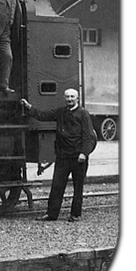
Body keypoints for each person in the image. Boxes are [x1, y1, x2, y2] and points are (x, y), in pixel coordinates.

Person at [20, 90, 98, 222]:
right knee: (57, 185)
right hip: (63, 156)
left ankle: (75, 214)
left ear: (77, 98)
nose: (69, 99)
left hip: (78, 157)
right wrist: (29, 107)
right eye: (67, 97)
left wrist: (84, 153)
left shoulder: (83, 113)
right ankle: (51, 214)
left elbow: (88, 136)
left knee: (78, 187)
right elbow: (43, 115)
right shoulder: (61, 112)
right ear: (64, 98)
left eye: (72, 97)